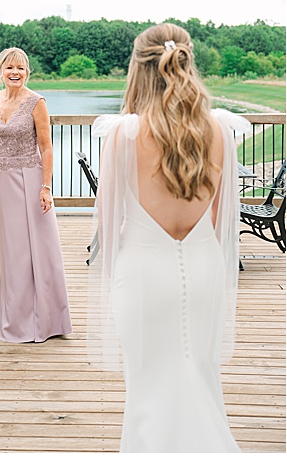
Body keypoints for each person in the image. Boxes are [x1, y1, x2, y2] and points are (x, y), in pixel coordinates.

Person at [89, 23, 250, 452]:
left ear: (138, 69)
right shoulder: (219, 130)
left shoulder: (124, 134)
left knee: (147, 388)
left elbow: (106, 224)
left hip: (143, 272)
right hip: (203, 270)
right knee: (199, 376)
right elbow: (220, 222)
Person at [0, 47, 73, 343]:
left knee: (35, 251)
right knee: (10, 252)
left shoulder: (36, 102)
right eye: (9, 68)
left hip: (30, 182)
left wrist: (46, 187)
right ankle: (10, 314)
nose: (15, 73)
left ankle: (45, 318)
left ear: (27, 72)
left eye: (20, 68)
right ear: (0, 71)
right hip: (2, 184)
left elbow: (47, 147)